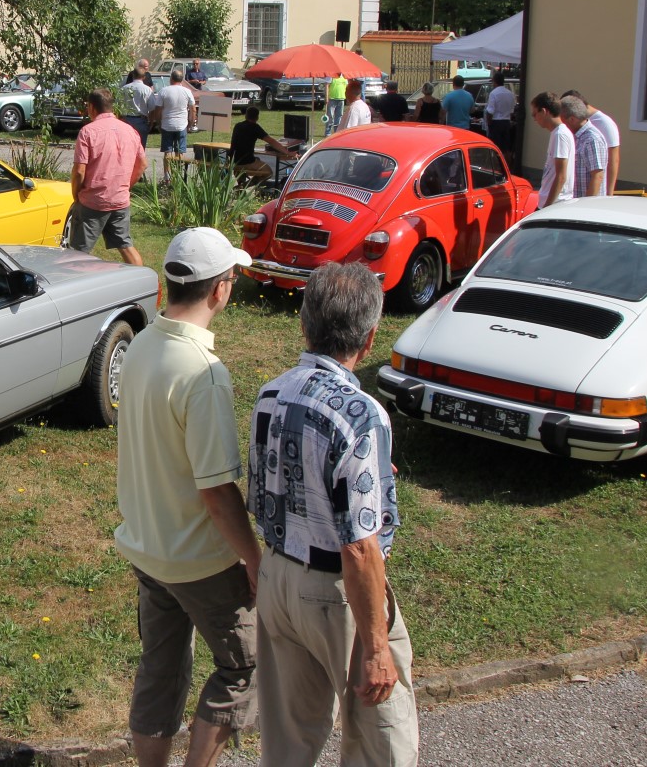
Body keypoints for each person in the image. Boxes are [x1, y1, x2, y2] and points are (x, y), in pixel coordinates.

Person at [250, 262, 417, 767]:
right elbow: (361, 546)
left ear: (304, 324)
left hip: (278, 575)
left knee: (288, 740)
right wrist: (375, 647)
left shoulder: (270, 394)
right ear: (367, 341)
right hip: (334, 592)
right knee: (381, 741)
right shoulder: (362, 414)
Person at [115, 227, 259, 767]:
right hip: (200, 560)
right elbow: (218, 491)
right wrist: (253, 558)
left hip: (148, 547)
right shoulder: (204, 373)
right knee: (242, 665)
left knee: (161, 664)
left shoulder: (142, 344)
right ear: (220, 289)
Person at [68, 89, 146, 265]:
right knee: (125, 244)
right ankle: (142, 281)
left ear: (92, 107)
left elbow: (79, 171)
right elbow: (142, 165)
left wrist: (76, 194)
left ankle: (79, 287)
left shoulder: (88, 132)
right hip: (119, 200)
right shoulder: (130, 130)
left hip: (93, 201)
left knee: (78, 252)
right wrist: (126, 186)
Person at [563, 89, 619, 195]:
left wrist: (609, 193)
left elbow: (612, 161)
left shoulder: (603, 126)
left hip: (588, 201)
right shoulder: (577, 131)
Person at [229, 106, 296, 183]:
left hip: (233, 162)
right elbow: (271, 141)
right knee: (268, 173)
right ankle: (244, 186)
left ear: (246, 115)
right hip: (246, 162)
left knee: (257, 160)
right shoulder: (255, 128)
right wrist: (287, 152)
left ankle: (241, 186)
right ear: (257, 117)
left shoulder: (237, 126)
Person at [530, 92, 574, 207]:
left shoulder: (560, 135)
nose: (534, 119)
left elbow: (561, 176)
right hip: (551, 201)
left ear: (544, 111)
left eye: (534, 114)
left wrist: (547, 207)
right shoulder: (557, 133)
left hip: (556, 203)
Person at [559, 95, 606, 199]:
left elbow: (597, 176)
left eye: (561, 120)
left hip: (585, 207)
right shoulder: (575, 136)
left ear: (572, 119)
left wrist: (585, 207)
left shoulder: (591, 139)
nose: (560, 124)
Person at [156, 72, 197, 182]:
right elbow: (193, 109)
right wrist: (191, 123)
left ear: (171, 79)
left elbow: (158, 109)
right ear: (182, 80)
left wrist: (158, 123)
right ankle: (178, 176)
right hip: (181, 125)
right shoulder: (187, 91)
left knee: (167, 152)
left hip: (167, 124)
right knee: (180, 152)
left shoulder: (164, 91)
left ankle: (167, 177)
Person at [485, 74, 517, 163]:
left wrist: (489, 123)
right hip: (506, 121)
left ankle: (496, 166)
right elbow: (512, 110)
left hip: (496, 122)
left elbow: (490, 111)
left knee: (494, 147)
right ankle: (508, 167)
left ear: (495, 82)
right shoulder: (510, 93)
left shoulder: (493, 93)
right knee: (506, 148)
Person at [120, 72, 156, 142]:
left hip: (127, 120)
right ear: (144, 77)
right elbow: (152, 108)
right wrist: (151, 122)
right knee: (141, 146)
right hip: (141, 120)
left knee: (128, 145)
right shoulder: (147, 89)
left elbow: (118, 105)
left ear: (133, 76)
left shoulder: (124, 88)